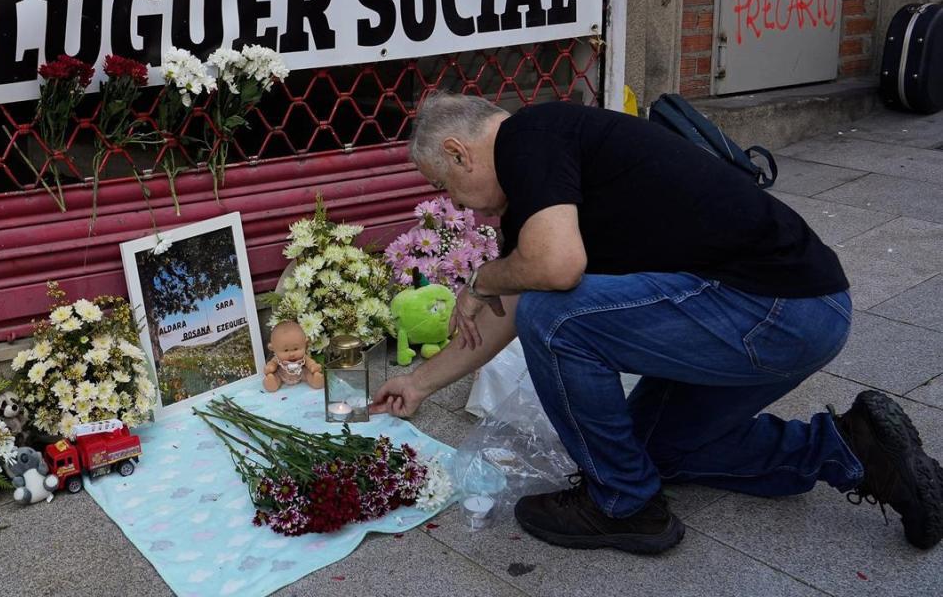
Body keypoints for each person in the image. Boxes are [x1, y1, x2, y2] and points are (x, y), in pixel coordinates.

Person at [371, 94, 943, 555]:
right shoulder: (541, 182)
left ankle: (623, 506)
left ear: (459, 151)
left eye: (445, 186)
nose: (461, 208)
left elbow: (552, 274)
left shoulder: (529, 137)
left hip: (774, 311)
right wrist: (419, 383)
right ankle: (852, 450)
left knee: (558, 316)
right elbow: (514, 312)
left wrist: (480, 281)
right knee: (647, 448)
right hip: (794, 312)